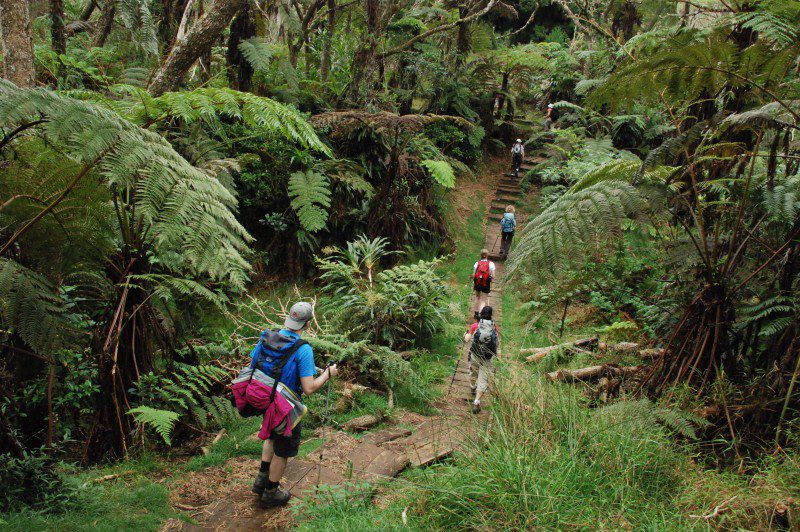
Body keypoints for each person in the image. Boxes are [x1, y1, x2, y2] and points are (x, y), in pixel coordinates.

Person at [250, 302, 338, 508]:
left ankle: (261, 479)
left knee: (272, 435)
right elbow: (309, 388)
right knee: (283, 450)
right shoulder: (303, 349)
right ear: (307, 324)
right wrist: (327, 374)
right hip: (286, 406)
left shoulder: (267, 337)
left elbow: (253, 363)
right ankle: (271, 492)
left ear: (289, 318)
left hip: (266, 398)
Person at [463, 306, 500, 414]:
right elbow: (497, 342)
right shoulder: (494, 327)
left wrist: (465, 334)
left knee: (473, 372)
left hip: (475, 355)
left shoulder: (476, 325)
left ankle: (472, 386)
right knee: (483, 378)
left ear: (481, 314)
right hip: (488, 357)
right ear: (491, 315)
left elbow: (467, 339)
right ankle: (477, 402)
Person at [472, 249, 495, 317]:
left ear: (481, 255)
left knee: (477, 297)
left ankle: (476, 313)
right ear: (487, 255)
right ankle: (480, 313)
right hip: (486, 283)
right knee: (483, 300)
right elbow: (493, 276)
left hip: (478, 282)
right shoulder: (491, 264)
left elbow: (474, 274)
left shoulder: (477, 263)